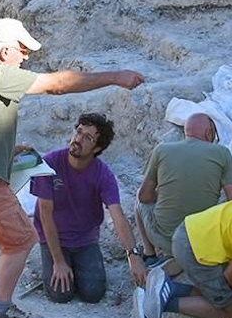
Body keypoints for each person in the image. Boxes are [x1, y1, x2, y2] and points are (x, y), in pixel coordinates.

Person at [0, 18, 145, 318]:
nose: (24, 58)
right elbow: (56, 85)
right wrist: (115, 77)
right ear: (4, 51)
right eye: (21, 51)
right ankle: (2, 312)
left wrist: (4, 149)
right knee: (21, 239)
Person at [31, 113, 146, 305]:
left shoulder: (103, 174)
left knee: (93, 293)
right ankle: (58, 262)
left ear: (97, 148)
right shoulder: (50, 164)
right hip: (53, 237)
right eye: (79, 132)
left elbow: (117, 216)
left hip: (85, 239)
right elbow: (45, 215)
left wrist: (133, 255)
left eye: (88, 137)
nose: (78, 139)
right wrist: (58, 261)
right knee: (61, 295)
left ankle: (79, 266)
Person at [135, 112, 232, 261]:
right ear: (209, 132)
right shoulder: (222, 152)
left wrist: (163, 193)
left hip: (165, 241)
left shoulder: (162, 149)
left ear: (186, 132)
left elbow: (144, 197)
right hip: (200, 242)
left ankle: (149, 253)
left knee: (139, 195)